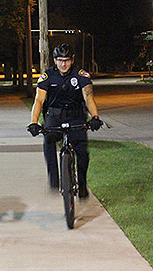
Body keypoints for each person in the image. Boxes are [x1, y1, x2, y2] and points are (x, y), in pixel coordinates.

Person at [27, 43, 102, 198]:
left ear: (72, 60)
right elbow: (39, 100)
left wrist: (95, 117)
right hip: (54, 116)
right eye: (60, 60)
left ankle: (82, 184)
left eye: (67, 60)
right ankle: (54, 179)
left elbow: (89, 97)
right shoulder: (47, 76)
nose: (63, 64)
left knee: (82, 151)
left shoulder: (80, 75)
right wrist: (34, 123)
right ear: (55, 60)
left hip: (76, 116)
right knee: (48, 140)